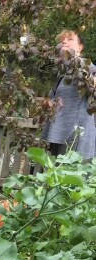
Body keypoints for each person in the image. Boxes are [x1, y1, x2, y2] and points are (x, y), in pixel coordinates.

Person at [41, 30, 96, 161]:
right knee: (57, 176)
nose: (64, 42)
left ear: (80, 47)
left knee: (74, 177)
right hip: (59, 134)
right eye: (62, 40)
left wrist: (84, 73)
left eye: (70, 39)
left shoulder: (88, 67)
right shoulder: (62, 74)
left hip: (78, 137)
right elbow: (50, 102)